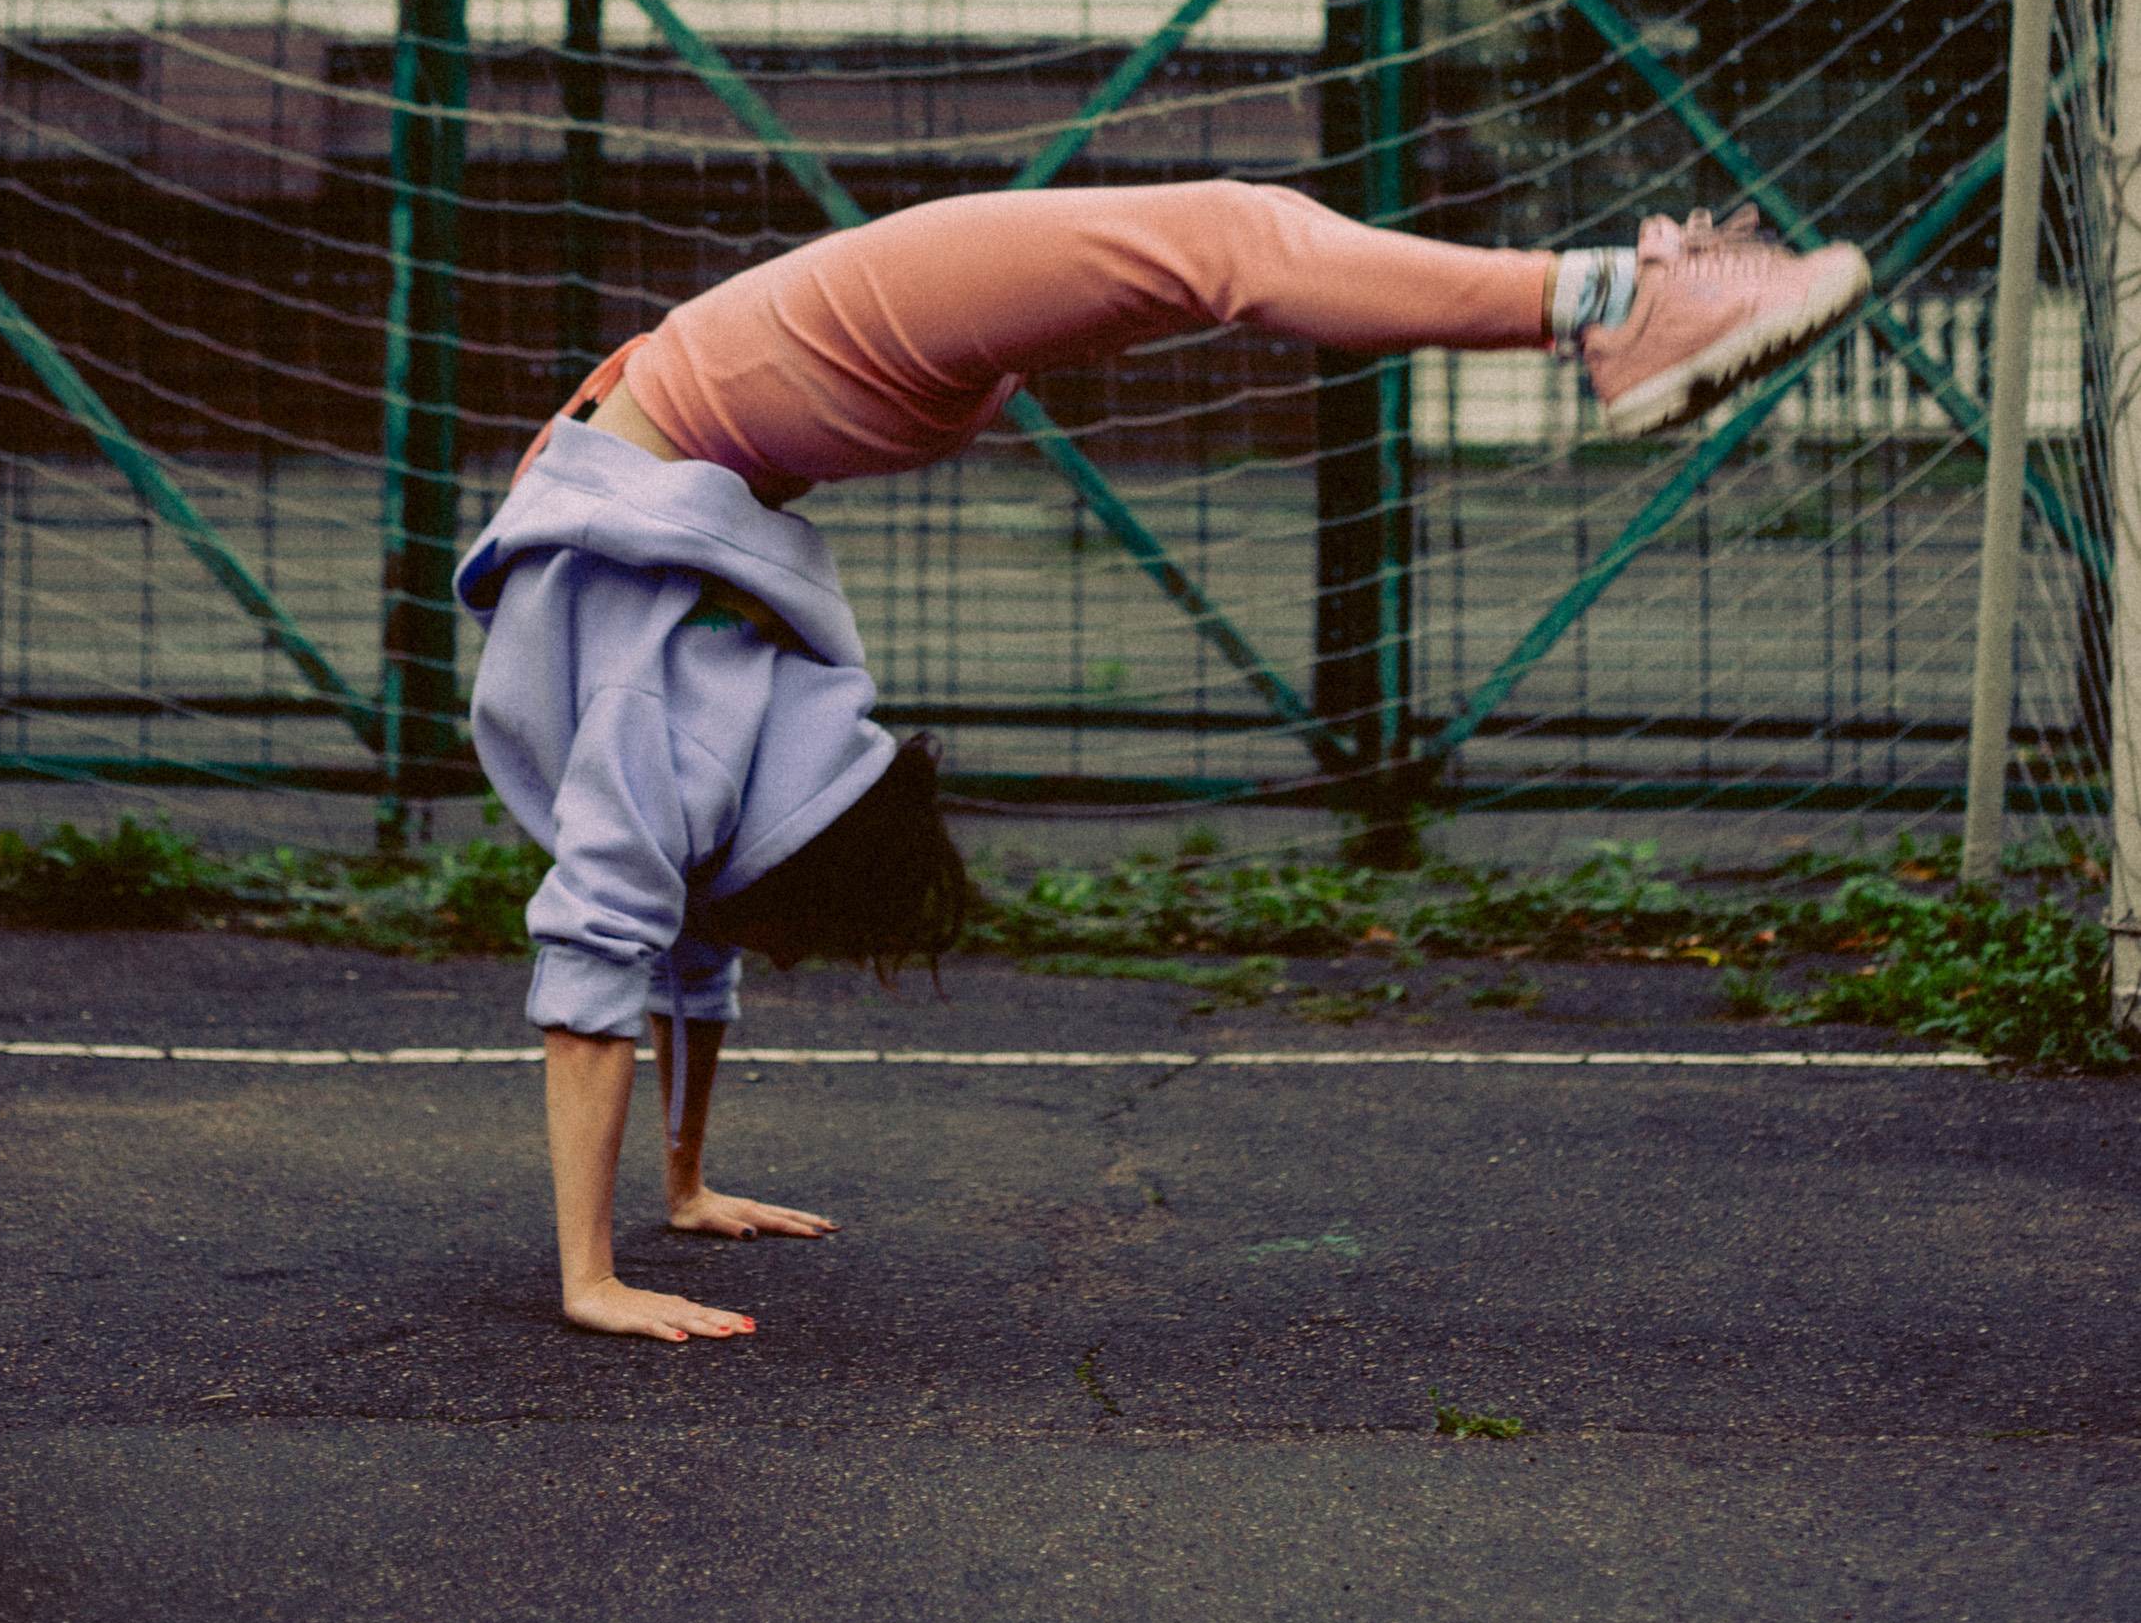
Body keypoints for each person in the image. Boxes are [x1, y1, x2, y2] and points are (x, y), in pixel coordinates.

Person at [460, 180, 1867, 1346]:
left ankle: (1614, 305)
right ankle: (1610, 302)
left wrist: (595, 1278)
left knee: (1226, 246)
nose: (768, 946)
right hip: (747, 406)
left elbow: (605, 985)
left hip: (743, 389)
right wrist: (685, 1189)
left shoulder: (664, 767)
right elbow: (684, 958)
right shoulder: (688, 801)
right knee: (1215, 247)